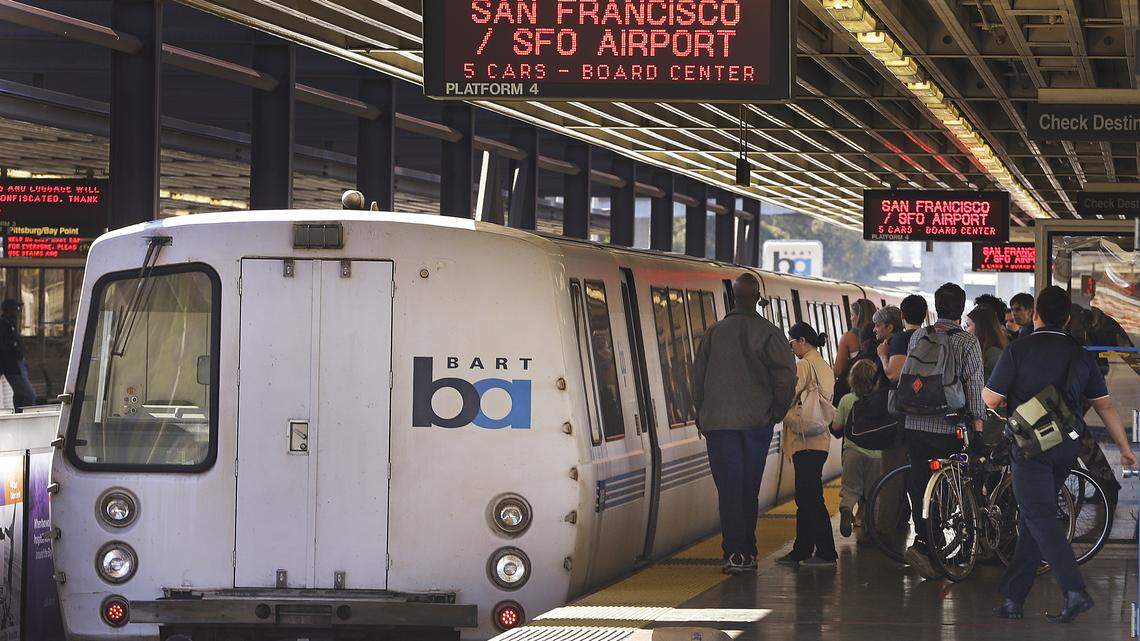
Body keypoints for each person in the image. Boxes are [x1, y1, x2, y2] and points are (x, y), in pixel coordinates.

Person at [984, 286, 1137, 624]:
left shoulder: (1018, 350)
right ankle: (1013, 597)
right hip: (1066, 444)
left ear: (1036, 314)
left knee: (1038, 516)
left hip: (1030, 448)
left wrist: (993, 397)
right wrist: (1125, 450)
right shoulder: (1080, 354)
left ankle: (1074, 590)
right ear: (1068, 318)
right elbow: (1105, 406)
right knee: (1032, 519)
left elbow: (991, 400)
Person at [692, 273, 797, 575]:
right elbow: (786, 377)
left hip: (719, 425)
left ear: (732, 298)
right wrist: (776, 412)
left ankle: (733, 554)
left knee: (728, 489)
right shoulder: (769, 333)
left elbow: (698, 379)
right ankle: (747, 552)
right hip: (756, 423)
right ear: (758, 298)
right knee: (748, 488)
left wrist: (702, 414)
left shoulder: (713, 333)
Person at [901, 284, 986, 580]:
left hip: (914, 423)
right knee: (954, 486)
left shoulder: (917, 337)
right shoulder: (967, 342)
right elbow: (974, 386)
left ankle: (924, 540)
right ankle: (947, 547)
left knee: (920, 482)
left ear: (935, 308)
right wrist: (978, 424)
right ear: (961, 309)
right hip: (949, 425)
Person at [778, 322, 838, 568]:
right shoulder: (824, 365)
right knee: (806, 496)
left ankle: (825, 552)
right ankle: (801, 549)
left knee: (810, 498)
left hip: (805, 441)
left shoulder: (804, 365)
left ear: (802, 341)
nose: (791, 348)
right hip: (819, 439)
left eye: (792, 343)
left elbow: (788, 394)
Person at [831, 359, 884, 544]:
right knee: (873, 493)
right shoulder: (880, 400)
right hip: (876, 454)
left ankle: (846, 509)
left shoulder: (846, 400)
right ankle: (870, 532)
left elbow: (836, 427)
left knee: (850, 488)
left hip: (852, 452)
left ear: (852, 379)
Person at [966, 305, 1008, 446]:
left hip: (991, 421)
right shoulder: (988, 351)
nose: (966, 330)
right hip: (987, 418)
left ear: (980, 328)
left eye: (968, 325)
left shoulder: (992, 353)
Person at [883, 295, 927, 384]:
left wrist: (882, 355)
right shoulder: (931, 336)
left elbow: (893, 375)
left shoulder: (900, 339)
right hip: (931, 391)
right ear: (925, 315)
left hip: (909, 394)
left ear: (902, 315)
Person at [0, 299, 34, 410]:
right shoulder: (3, 324)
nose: (18, 311)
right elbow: (4, 346)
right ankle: (24, 418)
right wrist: (15, 347)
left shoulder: (11, 322)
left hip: (17, 364)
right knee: (29, 395)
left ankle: (19, 414)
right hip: (13, 366)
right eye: (16, 308)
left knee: (20, 394)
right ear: (8, 310)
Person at [834, 299, 877, 379]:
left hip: (858, 384)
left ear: (860, 316)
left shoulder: (847, 338)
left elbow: (838, 370)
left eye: (852, 315)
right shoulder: (881, 333)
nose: (850, 318)